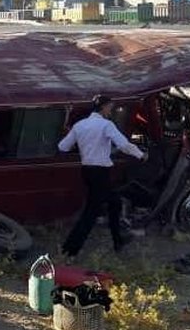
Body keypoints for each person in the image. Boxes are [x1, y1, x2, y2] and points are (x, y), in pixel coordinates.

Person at [58, 94, 147, 258]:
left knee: (114, 202)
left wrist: (85, 147)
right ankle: (70, 249)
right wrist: (140, 155)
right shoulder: (106, 125)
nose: (111, 111)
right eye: (110, 108)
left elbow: (63, 147)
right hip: (100, 172)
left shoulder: (80, 125)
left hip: (87, 170)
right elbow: (124, 144)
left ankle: (118, 240)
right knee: (91, 212)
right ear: (104, 107)